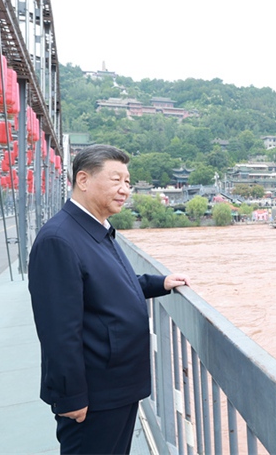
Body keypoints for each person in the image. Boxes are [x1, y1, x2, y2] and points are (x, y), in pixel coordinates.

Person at [28, 144, 190, 454]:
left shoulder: (98, 229)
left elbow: (110, 285)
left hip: (117, 384)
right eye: (116, 180)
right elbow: (58, 329)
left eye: (127, 182)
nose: (125, 189)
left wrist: (160, 283)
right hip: (94, 393)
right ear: (84, 180)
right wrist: (71, 395)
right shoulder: (59, 239)